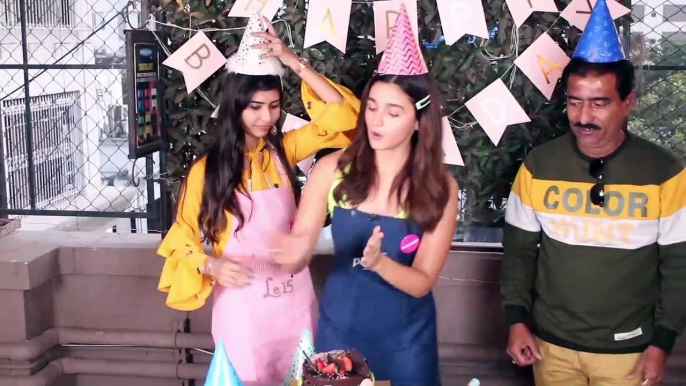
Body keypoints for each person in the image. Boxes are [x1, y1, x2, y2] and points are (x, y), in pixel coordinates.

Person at [156, 13, 360, 386]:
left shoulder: (284, 152)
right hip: (243, 312)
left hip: (295, 306)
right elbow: (181, 237)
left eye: (274, 105)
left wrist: (291, 60)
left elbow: (344, 116)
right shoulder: (207, 171)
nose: (267, 116)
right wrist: (210, 265)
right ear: (235, 106)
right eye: (255, 106)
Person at [500, 1, 686, 385]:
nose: (584, 117)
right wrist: (516, 320)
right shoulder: (538, 166)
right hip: (549, 347)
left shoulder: (665, 173)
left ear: (627, 103)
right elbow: (518, 253)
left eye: (599, 103)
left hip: (630, 352)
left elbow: (679, 266)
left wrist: (662, 344)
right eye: (574, 101)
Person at [270, 7, 458, 386]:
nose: (376, 121)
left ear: (419, 121)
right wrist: (289, 253)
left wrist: (378, 263)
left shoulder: (441, 187)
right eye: (372, 107)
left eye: (392, 112)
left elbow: (422, 281)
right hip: (340, 333)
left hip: (408, 342)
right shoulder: (331, 170)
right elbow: (300, 245)